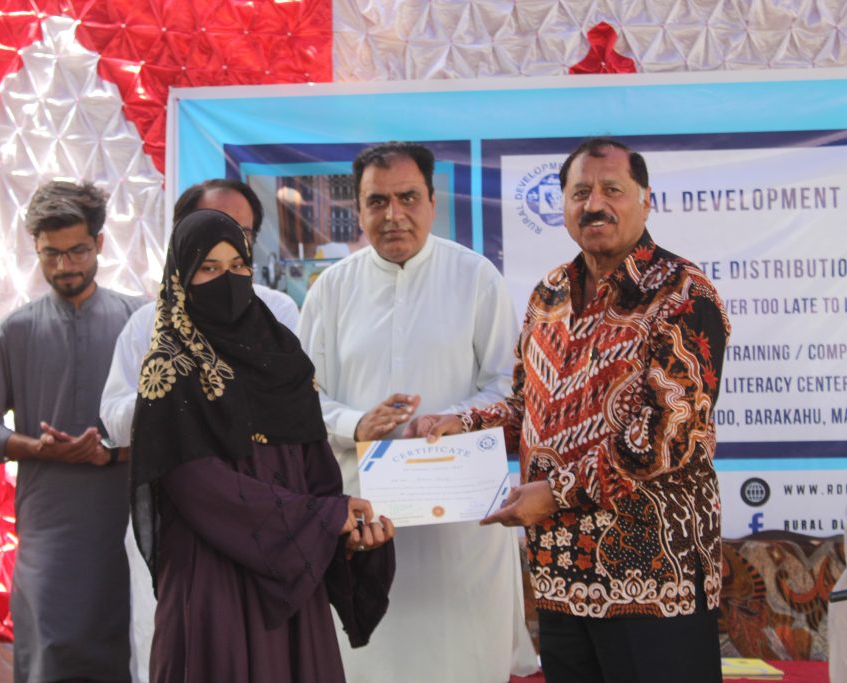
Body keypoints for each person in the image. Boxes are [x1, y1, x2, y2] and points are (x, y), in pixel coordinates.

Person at [420, 137, 731, 683]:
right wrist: (462, 425)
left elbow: (666, 436)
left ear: (646, 200)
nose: (595, 204)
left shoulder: (683, 294)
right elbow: (528, 407)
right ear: (563, 204)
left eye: (613, 190)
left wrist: (555, 493)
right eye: (580, 192)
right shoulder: (550, 293)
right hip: (561, 573)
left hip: (653, 579)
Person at [297, 141, 537, 682]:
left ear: (432, 201)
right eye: (377, 201)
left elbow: (509, 385)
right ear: (358, 208)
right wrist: (355, 423)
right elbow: (302, 398)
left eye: (407, 198)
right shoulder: (330, 289)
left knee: (463, 659)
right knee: (368, 661)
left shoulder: (475, 278)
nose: (393, 215)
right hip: (364, 519)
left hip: (460, 519)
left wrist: (453, 418)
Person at [129, 209, 395, 682]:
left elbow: (316, 471)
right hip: (213, 579)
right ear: (181, 279)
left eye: (238, 265)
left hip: (292, 580)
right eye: (209, 268)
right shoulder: (170, 370)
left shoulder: (283, 357)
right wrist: (321, 519)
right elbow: (199, 487)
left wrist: (346, 531)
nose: (227, 280)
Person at [0, 180, 144, 683]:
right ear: (36, 249)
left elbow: (173, 423)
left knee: (131, 649)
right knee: (49, 650)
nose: (66, 266)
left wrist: (109, 453)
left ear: (100, 243)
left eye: (78, 251)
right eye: (52, 254)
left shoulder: (139, 321)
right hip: (50, 524)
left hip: (129, 520)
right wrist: (38, 448)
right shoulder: (14, 331)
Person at [100, 178, 299, 450]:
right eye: (216, 230)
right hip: (175, 474)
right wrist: (170, 391)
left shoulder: (277, 311)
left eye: (243, 233)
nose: (231, 243)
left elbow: (295, 405)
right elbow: (116, 426)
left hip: (263, 472)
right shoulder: (146, 323)